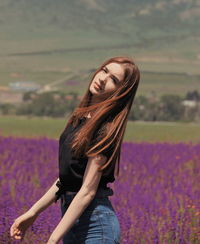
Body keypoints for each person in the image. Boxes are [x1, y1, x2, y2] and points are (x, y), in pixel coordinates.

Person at [10, 56, 140, 244]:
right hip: (72, 221)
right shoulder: (81, 118)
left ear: (122, 91)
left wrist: (53, 238)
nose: (103, 78)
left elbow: (87, 190)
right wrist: (32, 213)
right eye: (104, 70)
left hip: (97, 226)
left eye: (113, 80)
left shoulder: (106, 128)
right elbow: (67, 179)